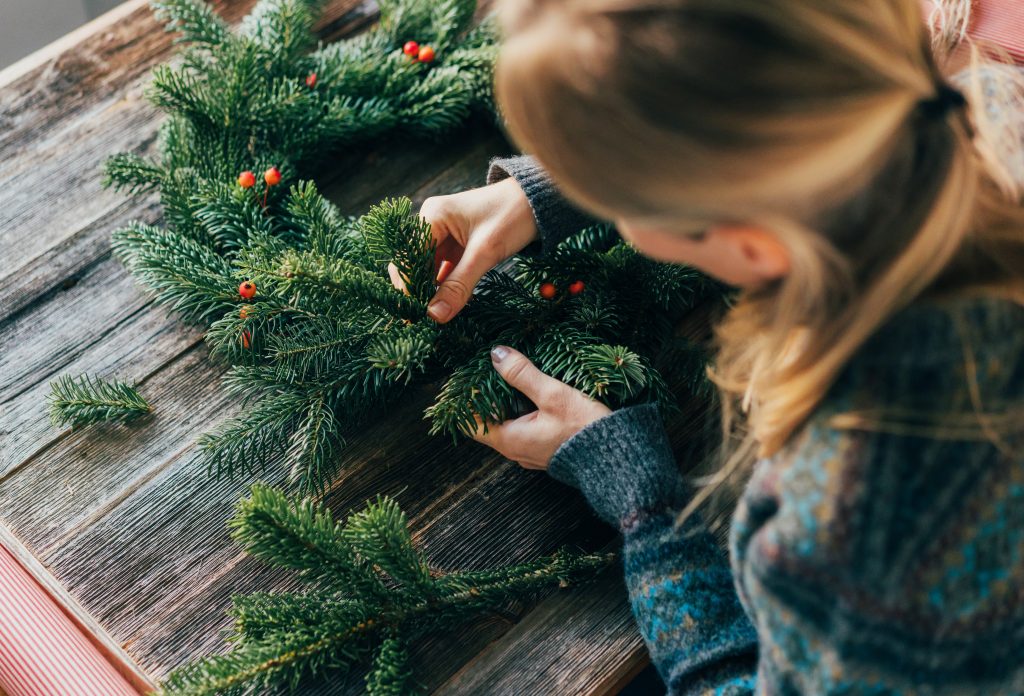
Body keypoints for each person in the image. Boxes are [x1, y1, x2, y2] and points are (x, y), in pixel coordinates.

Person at [389, 1, 1024, 692]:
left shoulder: (850, 526)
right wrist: (554, 187)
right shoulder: (973, 105)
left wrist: (644, 502)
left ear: (750, 242)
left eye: (623, 199)